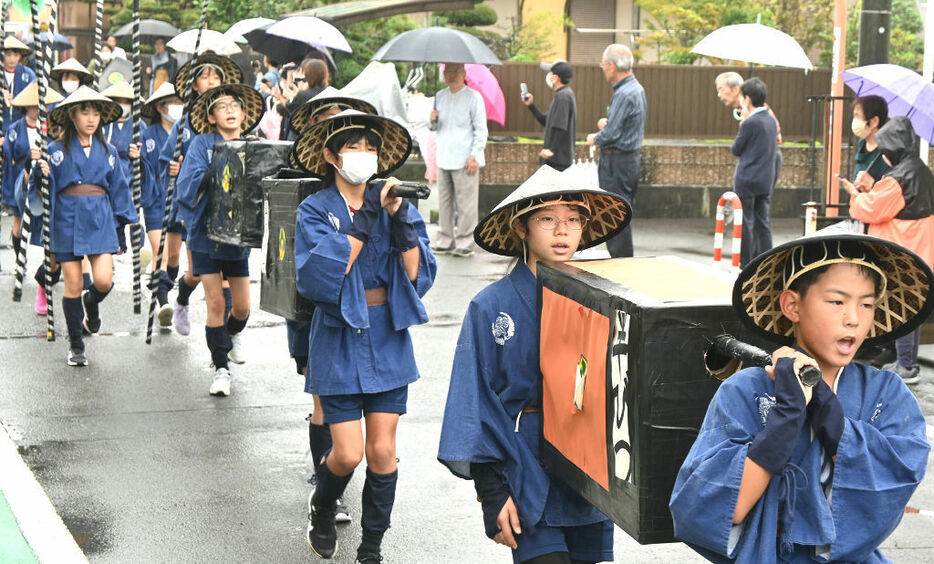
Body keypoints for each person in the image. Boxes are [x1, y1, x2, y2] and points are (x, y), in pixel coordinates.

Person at [670, 232, 931, 562]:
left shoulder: (885, 394)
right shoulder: (745, 391)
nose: (854, 318)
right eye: (837, 301)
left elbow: (887, 493)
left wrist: (831, 419)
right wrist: (787, 417)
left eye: (866, 304)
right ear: (792, 305)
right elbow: (721, 509)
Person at [438, 164, 631, 564]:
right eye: (547, 219)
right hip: (526, 465)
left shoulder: (606, 303)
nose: (563, 231)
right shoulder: (490, 307)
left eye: (573, 220)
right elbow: (474, 403)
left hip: (589, 470)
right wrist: (492, 492)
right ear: (521, 228)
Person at [293, 109, 436, 562]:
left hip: (387, 336)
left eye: (371, 147)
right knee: (349, 453)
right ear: (332, 157)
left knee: (382, 451)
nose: (365, 155)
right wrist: (366, 215)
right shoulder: (314, 209)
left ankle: (371, 544)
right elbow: (318, 277)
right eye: (354, 147)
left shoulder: (395, 205)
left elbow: (419, 277)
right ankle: (322, 503)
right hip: (336, 337)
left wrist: (399, 218)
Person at [36, 86, 136, 366]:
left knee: (103, 280)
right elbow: (42, 189)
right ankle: (76, 344)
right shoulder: (55, 151)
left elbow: (119, 189)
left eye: (96, 112)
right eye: (84, 112)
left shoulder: (110, 151)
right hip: (66, 218)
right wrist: (39, 172)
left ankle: (90, 303)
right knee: (73, 282)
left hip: (100, 217)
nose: (91, 118)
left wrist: (121, 228)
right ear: (72, 115)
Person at [175, 83, 263, 396]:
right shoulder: (201, 143)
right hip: (205, 232)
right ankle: (220, 368)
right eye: (221, 107)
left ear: (243, 112)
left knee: (241, 307)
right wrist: (221, 165)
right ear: (211, 116)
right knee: (215, 303)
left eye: (234, 105)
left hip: (238, 235)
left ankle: (228, 338)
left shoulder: (255, 143)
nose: (229, 111)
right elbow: (188, 182)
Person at [840, 116, 934, 385]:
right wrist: (871, 189)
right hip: (921, 249)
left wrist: (855, 195)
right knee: (913, 308)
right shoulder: (919, 169)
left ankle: (906, 365)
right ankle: (905, 362)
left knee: (904, 308)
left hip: (903, 252)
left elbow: (870, 209)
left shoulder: (899, 177)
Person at [160, 53, 241, 336]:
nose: (211, 81)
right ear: (194, 84)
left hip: (230, 208)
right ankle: (181, 299)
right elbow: (167, 158)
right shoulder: (186, 122)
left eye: (216, 76)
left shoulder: (234, 120)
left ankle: (231, 335)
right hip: (195, 200)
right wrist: (173, 168)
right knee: (196, 272)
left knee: (227, 275)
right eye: (205, 76)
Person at [4, 81, 63, 313]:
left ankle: (46, 274)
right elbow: (8, 155)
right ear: (27, 106)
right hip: (20, 178)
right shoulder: (16, 128)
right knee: (18, 226)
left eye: (42, 106)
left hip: (44, 180)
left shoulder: (52, 128)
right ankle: (21, 258)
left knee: (48, 231)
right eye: (34, 106)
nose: (38, 110)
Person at [586, 44, 645, 258]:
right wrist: (608, 125)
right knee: (619, 214)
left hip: (617, 162)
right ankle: (622, 263)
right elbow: (620, 126)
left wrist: (595, 138)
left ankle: (621, 266)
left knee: (614, 214)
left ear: (611, 65)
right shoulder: (635, 88)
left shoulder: (624, 93)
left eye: (603, 65)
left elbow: (611, 135)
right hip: (627, 161)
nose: (603, 69)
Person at [428, 62, 487, 257]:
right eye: (448, 72)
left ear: (463, 74)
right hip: (444, 156)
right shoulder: (439, 97)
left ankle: (465, 241)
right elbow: (434, 129)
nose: (452, 75)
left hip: (465, 159)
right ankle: (445, 239)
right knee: (443, 201)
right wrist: (432, 120)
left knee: (466, 204)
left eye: (456, 71)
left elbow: (481, 129)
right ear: (444, 74)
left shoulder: (473, 97)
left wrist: (475, 155)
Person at [140, 81, 184, 328]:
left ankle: (162, 285)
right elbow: (143, 170)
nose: (177, 107)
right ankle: (163, 303)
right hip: (156, 200)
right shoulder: (147, 136)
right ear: (160, 107)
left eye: (180, 102)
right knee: (161, 253)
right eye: (172, 103)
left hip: (180, 201)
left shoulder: (187, 132)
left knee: (175, 257)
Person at [715, 71, 784, 209]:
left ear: (735, 90)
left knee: (754, 209)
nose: (719, 95)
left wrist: (746, 123)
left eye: (721, 89)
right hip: (762, 161)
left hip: (764, 160)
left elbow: (777, 137)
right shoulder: (746, 109)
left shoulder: (757, 109)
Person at [730, 77, 778, 268]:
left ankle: (746, 264)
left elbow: (736, 149)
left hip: (747, 179)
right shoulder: (771, 120)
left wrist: (742, 123)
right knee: (763, 222)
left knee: (745, 222)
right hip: (765, 179)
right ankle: (767, 260)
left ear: (747, 99)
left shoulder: (750, 123)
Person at [521, 60, 577, 171]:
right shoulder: (561, 95)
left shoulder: (563, 97)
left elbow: (560, 126)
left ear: (556, 78)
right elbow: (546, 121)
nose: (548, 75)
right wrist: (531, 105)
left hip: (557, 160)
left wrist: (551, 150)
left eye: (550, 73)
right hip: (555, 158)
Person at [849, 95, 890, 192]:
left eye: (858, 116)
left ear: (874, 121)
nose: (855, 121)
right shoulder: (862, 144)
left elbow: (891, 191)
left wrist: (872, 185)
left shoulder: (888, 152)